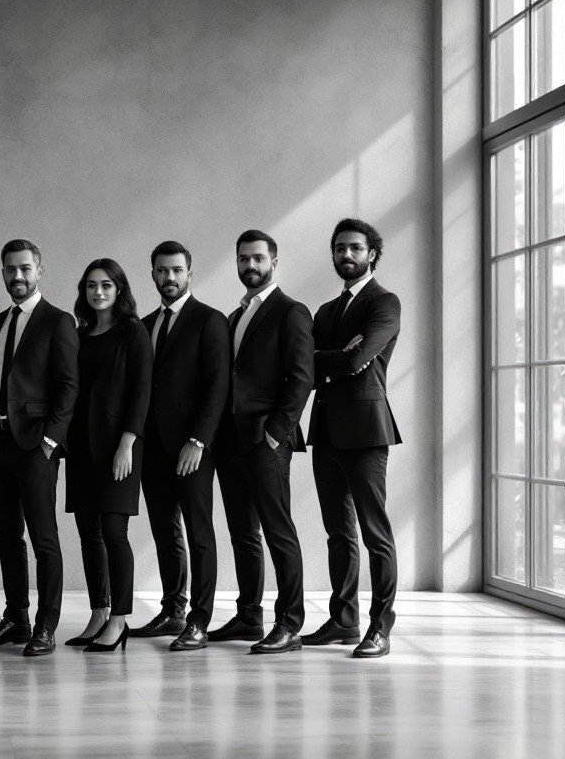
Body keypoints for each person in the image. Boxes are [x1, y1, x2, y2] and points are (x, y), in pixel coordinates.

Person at [0, 239, 79, 657]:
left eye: (25, 269)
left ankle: (45, 626)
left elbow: (69, 387)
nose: (18, 276)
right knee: (6, 537)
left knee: (43, 538)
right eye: (10, 269)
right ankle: (16, 618)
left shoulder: (58, 321)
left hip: (35, 444)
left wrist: (51, 440)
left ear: (39, 270)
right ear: (2, 273)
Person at [300, 218, 401, 659]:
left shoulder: (385, 302)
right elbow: (304, 365)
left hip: (365, 432)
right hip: (326, 431)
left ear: (372, 253)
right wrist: (334, 359)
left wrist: (337, 358)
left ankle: (380, 628)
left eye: (355, 248)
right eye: (340, 248)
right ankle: (343, 619)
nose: (346, 255)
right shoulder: (325, 311)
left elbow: (358, 358)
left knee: (374, 533)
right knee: (337, 533)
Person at [211, 229, 314, 655]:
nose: (249, 266)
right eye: (242, 259)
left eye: (257, 258)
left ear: (274, 261)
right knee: (242, 533)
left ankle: (290, 623)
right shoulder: (236, 316)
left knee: (278, 531)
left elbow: (302, 377)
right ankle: (249, 614)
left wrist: (276, 433)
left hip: (267, 439)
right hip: (232, 440)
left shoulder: (291, 311)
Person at [129, 241, 229, 652]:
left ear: (189, 272)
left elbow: (217, 385)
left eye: (176, 270)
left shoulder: (210, 320)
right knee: (164, 530)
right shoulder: (145, 323)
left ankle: (199, 621)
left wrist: (199, 441)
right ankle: (173, 609)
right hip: (151, 448)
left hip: (192, 448)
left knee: (199, 532)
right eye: (161, 271)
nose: (169, 278)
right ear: (152, 274)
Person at [64, 258, 152, 653]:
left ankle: (119, 619)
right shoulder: (80, 334)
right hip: (82, 446)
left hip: (120, 447)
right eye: (91, 286)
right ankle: (99, 613)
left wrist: (127, 443)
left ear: (119, 290)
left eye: (106, 285)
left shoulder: (133, 332)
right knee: (89, 534)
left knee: (115, 533)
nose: (98, 292)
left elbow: (141, 390)